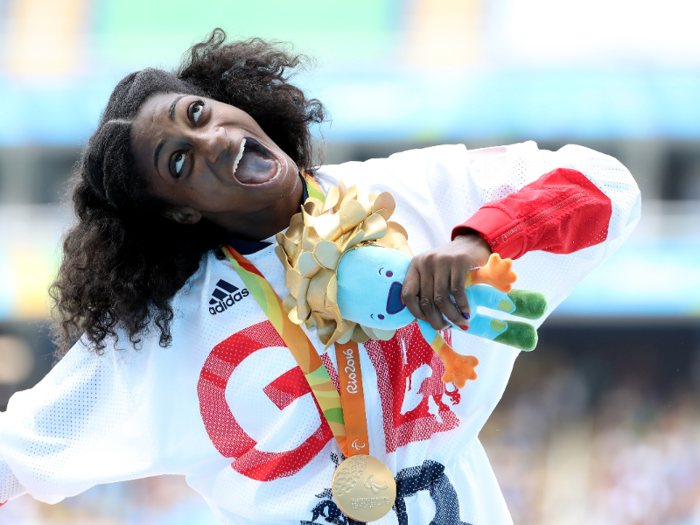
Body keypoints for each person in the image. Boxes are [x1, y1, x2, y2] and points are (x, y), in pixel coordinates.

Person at [0, 29, 640, 524]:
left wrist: (478, 241)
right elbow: (14, 456)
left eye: (199, 114)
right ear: (180, 208)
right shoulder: (164, 336)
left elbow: (609, 183)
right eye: (179, 161)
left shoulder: (405, 193)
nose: (214, 141)